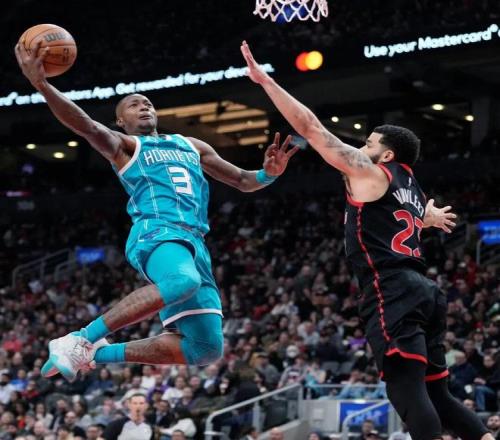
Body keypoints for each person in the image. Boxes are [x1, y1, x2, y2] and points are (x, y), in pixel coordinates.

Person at [241, 41, 494, 440]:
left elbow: (311, 128)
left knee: (406, 390)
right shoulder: (410, 185)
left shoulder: (371, 173)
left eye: (369, 144)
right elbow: (406, 218)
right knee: (438, 395)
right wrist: (427, 218)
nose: (361, 148)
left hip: (390, 287)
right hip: (425, 292)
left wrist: (265, 82)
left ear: (386, 155)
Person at [14, 41, 297, 382]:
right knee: (182, 281)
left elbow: (241, 180)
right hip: (156, 231)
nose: (144, 106)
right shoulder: (125, 146)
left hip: (194, 242)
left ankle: (94, 353)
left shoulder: (191, 145)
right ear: (121, 121)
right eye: (134, 105)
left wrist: (268, 174)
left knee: (205, 348)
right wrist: (42, 85)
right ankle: (80, 338)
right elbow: (85, 125)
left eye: (147, 102)